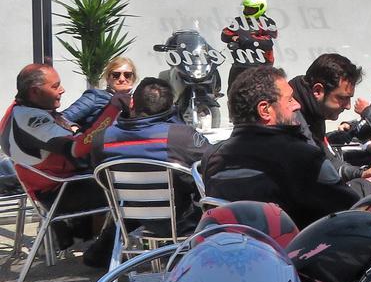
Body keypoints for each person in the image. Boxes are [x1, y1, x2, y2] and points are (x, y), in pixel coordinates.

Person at [202, 66, 371, 228]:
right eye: (290, 99)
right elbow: (348, 208)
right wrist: (367, 186)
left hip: (232, 253)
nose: (297, 105)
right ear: (265, 110)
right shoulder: (301, 156)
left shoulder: (212, 156)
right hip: (291, 255)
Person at [0, 64, 123, 262]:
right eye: (55, 86)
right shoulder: (29, 119)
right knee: (132, 189)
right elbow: (77, 148)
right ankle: (102, 253)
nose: (62, 90)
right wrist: (113, 109)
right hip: (60, 191)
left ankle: (92, 239)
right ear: (35, 91)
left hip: (55, 185)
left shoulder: (18, 109)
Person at [91, 77, 212, 241]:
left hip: (134, 217)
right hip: (184, 220)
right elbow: (213, 163)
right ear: (170, 107)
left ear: (132, 103)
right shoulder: (182, 136)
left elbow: (103, 180)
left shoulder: (102, 138)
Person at [289, 53, 371, 191]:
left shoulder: (314, 111)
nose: (348, 106)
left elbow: (327, 162)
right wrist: (363, 187)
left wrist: (361, 173)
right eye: (342, 98)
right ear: (318, 91)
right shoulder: (292, 120)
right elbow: (312, 188)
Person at [221, 0, 278, 90]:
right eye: (246, 8)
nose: (248, 11)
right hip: (239, 62)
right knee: (232, 90)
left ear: (260, 8)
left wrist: (246, 39)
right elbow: (225, 34)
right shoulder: (238, 21)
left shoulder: (268, 22)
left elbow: (268, 41)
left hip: (261, 64)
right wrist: (235, 38)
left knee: (260, 91)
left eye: (251, 9)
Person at [62, 56, 136, 129]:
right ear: (108, 78)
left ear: (134, 78)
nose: (122, 79)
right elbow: (61, 119)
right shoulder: (95, 97)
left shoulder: (139, 101)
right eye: (116, 75)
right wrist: (73, 127)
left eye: (127, 75)